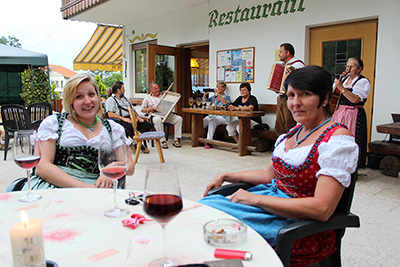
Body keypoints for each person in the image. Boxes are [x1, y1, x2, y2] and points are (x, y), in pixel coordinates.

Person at [199, 66, 358, 266]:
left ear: (325, 98)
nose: (295, 103)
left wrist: (254, 199)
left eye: (305, 94)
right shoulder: (294, 133)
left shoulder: (337, 140)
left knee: (214, 231)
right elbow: (268, 174)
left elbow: (322, 208)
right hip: (270, 204)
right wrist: (227, 175)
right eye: (291, 95)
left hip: (296, 222)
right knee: (201, 211)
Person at [23, 73, 135, 190]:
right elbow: (42, 167)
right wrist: (86, 188)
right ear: (70, 101)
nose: (87, 101)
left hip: (97, 186)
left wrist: (111, 168)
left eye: (91, 94)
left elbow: (130, 167)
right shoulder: (54, 123)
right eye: (79, 97)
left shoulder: (113, 128)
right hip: (55, 185)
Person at [332, 57, 371, 169]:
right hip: (339, 113)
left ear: (359, 69)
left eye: (352, 66)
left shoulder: (363, 81)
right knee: (337, 138)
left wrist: (341, 87)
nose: (348, 69)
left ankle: (352, 168)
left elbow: (355, 99)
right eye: (347, 66)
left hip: (354, 114)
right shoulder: (343, 80)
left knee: (352, 140)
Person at [105, 81, 152, 154]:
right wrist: (124, 119)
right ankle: (136, 143)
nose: (124, 90)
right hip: (120, 120)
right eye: (123, 89)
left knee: (147, 125)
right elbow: (110, 114)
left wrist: (138, 117)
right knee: (129, 127)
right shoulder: (111, 100)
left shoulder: (125, 99)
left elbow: (133, 109)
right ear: (118, 90)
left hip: (131, 118)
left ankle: (136, 140)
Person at [275, 43, 305, 135]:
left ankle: (291, 146)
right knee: (279, 126)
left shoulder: (298, 65)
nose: (279, 54)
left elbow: (302, 83)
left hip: (291, 98)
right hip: (281, 98)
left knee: (289, 125)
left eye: (281, 52)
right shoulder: (283, 66)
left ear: (288, 52)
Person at [141, 82, 183, 149]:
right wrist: (149, 109)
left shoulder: (164, 95)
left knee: (179, 119)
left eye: (158, 88)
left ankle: (176, 139)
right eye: (155, 89)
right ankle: (163, 141)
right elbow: (142, 109)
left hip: (166, 115)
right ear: (151, 90)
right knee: (157, 120)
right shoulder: (147, 98)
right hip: (155, 116)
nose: (158, 90)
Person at [202, 81, 231, 149]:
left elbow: (225, 104)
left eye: (220, 87)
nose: (218, 88)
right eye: (217, 87)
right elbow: (204, 102)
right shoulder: (213, 97)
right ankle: (199, 138)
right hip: (212, 115)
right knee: (202, 121)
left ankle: (209, 142)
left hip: (223, 117)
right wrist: (205, 94)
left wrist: (219, 95)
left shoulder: (227, 97)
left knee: (212, 121)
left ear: (224, 88)